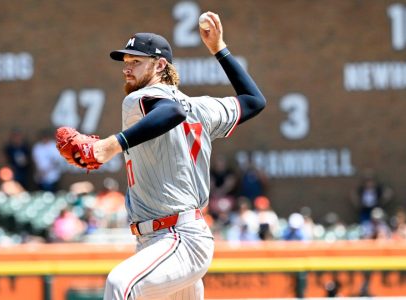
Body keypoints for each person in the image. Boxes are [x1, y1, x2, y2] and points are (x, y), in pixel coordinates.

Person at [72, 11, 266, 299]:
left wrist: (112, 144)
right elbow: (253, 100)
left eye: (136, 62)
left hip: (176, 238)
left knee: (120, 284)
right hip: (171, 239)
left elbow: (171, 111)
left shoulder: (137, 99)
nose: (127, 68)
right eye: (126, 62)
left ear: (161, 65)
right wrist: (219, 50)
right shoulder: (202, 107)